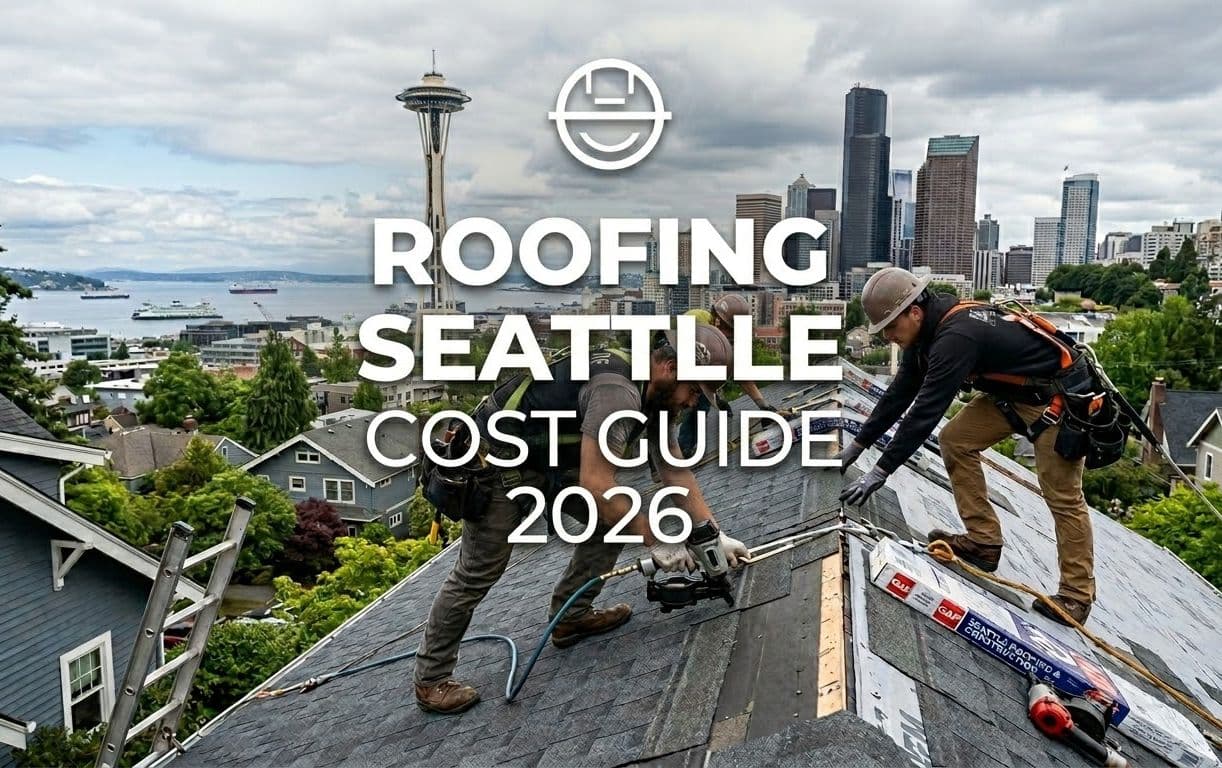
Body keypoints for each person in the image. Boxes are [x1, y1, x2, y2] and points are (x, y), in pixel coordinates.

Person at [414, 324, 751, 714]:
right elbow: (596, 485)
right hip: (498, 464)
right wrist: (656, 539)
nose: (694, 402)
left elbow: (674, 469)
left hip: (549, 459)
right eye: (693, 391)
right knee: (478, 571)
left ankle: (571, 617)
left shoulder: (656, 396)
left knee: (610, 524)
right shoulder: (618, 394)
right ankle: (431, 678)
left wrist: (713, 534)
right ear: (670, 368)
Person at [837, 267, 1096, 626]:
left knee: (1062, 495)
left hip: (1057, 402)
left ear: (914, 311)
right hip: (1014, 396)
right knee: (955, 440)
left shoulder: (957, 336)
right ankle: (984, 540)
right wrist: (859, 444)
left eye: (891, 329)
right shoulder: (925, 333)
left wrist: (881, 471)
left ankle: (1076, 595)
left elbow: (925, 411)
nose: (890, 338)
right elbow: (900, 394)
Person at [676, 294, 791, 458]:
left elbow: (741, 374)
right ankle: (683, 450)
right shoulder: (696, 322)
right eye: (728, 329)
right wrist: (710, 397)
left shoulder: (725, 339)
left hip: (697, 371)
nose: (729, 335)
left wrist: (764, 406)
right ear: (717, 320)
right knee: (698, 403)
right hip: (674, 366)